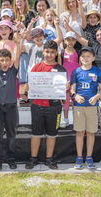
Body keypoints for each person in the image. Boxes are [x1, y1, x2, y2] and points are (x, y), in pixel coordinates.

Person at [25, 40, 67, 170]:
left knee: (52, 134)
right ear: (43, 52)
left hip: (54, 106)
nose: (49, 54)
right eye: (47, 51)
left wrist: (65, 87)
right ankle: (33, 158)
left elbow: (63, 90)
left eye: (52, 52)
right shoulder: (36, 67)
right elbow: (29, 86)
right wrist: (27, 87)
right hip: (37, 105)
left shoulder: (61, 69)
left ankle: (49, 159)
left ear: (56, 53)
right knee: (36, 133)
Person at [0, 31, 21, 171]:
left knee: (11, 135)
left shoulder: (13, 71)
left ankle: (11, 158)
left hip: (11, 107)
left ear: (10, 61)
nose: (4, 62)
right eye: (1, 60)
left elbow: (17, 56)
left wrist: (18, 44)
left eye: (7, 60)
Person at [70, 46, 101, 169]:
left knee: (91, 132)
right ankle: (79, 157)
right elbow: (72, 88)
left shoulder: (97, 71)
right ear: (79, 58)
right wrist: (75, 95)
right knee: (79, 132)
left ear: (93, 58)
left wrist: (96, 97)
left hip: (92, 107)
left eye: (88, 56)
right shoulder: (76, 72)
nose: (85, 58)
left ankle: (89, 157)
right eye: (83, 56)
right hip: (79, 107)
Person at [59, 31, 80, 128]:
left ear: (75, 41)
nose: (70, 42)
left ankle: (77, 119)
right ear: (65, 41)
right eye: (68, 40)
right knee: (65, 100)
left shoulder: (78, 52)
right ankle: (66, 119)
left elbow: (80, 66)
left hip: (75, 78)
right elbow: (59, 67)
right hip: (65, 79)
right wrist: (62, 80)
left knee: (75, 99)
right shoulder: (62, 52)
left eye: (72, 40)